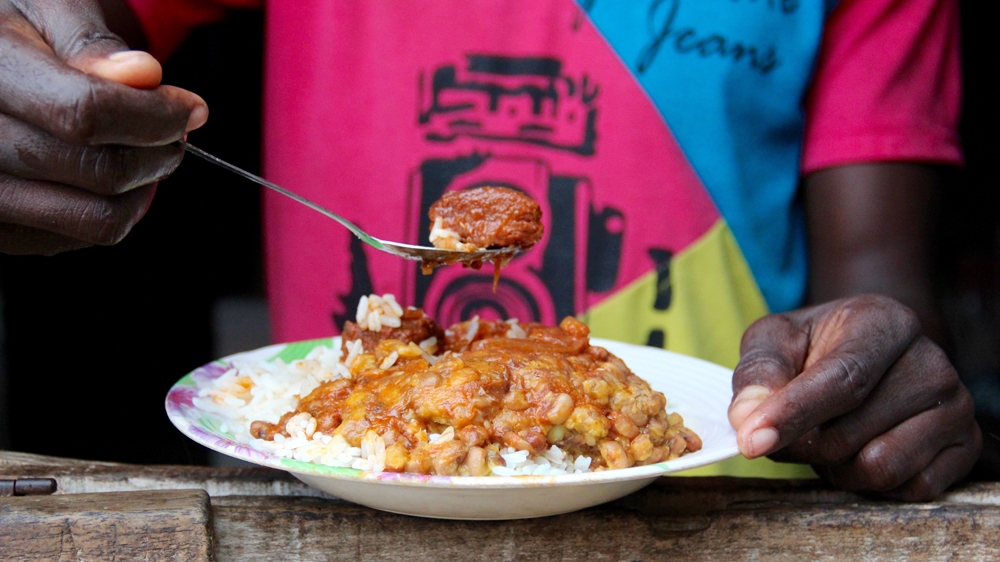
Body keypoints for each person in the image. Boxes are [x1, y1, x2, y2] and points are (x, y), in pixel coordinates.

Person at [0, 0, 984, 499]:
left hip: (727, 520)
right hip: (345, 519)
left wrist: (878, 377)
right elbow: (71, 33)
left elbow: (881, 291)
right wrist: (35, 66)